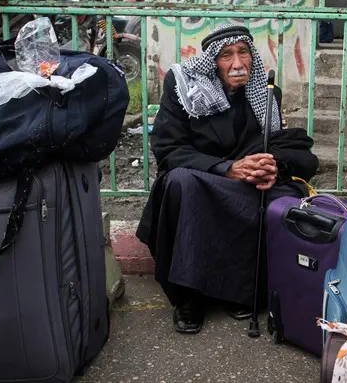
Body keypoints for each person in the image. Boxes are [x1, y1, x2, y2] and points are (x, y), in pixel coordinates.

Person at [136, 25, 318, 334]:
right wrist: (227, 168)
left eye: (243, 53)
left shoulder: (265, 91)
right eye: (226, 56)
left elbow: (284, 144)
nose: (237, 63)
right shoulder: (182, 88)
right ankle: (189, 296)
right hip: (204, 176)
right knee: (182, 184)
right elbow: (169, 149)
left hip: (245, 184)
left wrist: (270, 167)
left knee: (281, 194)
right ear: (212, 62)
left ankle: (240, 291)